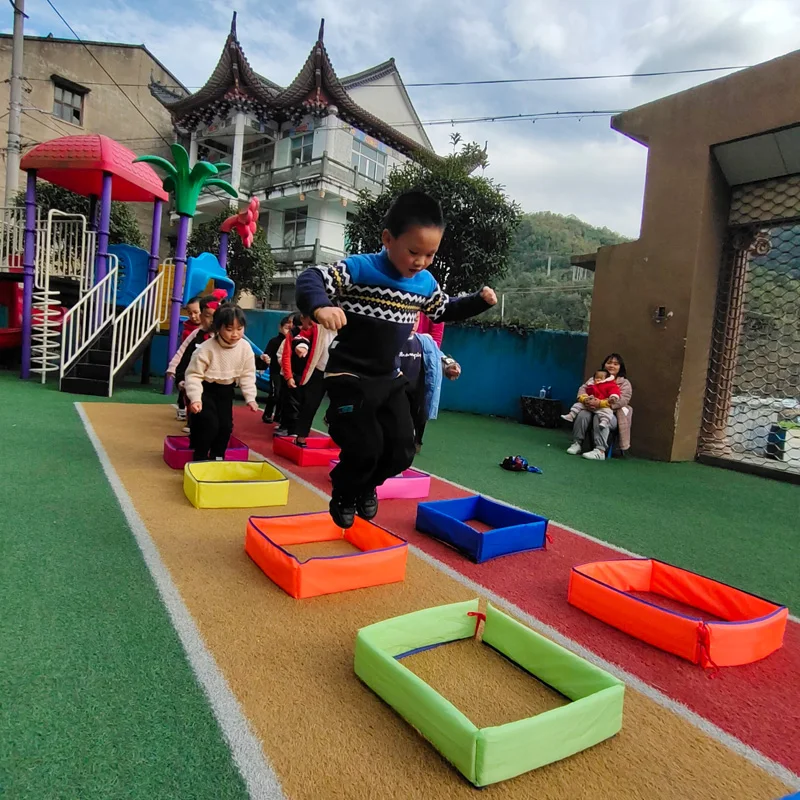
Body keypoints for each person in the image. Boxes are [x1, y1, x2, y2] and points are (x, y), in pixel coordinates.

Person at [296, 190, 497, 528]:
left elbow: (443, 308)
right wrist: (321, 305)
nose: (420, 261)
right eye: (414, 251)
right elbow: (311, 278)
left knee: (404, 449)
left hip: (389, 378)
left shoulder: (424, 282)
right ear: (388, 239)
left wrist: (478, 301)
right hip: (350, 374)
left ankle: (366, 486)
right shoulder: (361, 268)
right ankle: (345, 490)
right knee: (367, 446)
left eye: (430, 254)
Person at [184, 304, 259, 462]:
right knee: (209, 425)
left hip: (226, 391)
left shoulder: (245, 348)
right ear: (218, 328)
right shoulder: (206, 349)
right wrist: (196, 398)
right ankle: (200, 456)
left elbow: (247, 374)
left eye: (239, 329)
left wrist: (250, 397)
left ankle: (218, 457)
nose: (235, 334)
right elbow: (193, 375)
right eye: (229, 329)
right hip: (205, 390)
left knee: (225, 427)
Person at [399, 314, 461, 453]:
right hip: (397, 393)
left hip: (417, 391)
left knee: (417, 419)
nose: (413, 324)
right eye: (410, 320)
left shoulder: (425, 341)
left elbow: (437, 355)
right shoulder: (392, 340)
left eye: (416, 320)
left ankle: (414, 444)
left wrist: (450, 367)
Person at [166, 291, 226, 430]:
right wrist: (173, 368)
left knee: (213, 406)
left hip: (213, 378)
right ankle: (192, 423)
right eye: (206, 316)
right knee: (194, 399)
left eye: (213, 317)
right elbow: (182, 351)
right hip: (196, 374)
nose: (209, 320)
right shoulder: (197, 333)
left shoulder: (220, 335)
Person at [567, 353, 633, 460]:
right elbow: (582, 390)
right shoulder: (595, 379)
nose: (612, 366)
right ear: (604, 365)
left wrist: (600, 404)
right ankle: (576, 443)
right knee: (583, 414)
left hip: (613, 415)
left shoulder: (624, 383)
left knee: (600, 416)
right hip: (589, 409)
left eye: (616, 364)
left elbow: (623, 400)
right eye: (609, 363)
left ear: (620, 367)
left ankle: (600, 450)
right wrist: (586, 400)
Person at [261, 315, 293, 425]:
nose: (288, 331)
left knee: (283, 396)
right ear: (280, 327)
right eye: (286, 328)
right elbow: (266, 354)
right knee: (275, 394)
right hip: (275, 372)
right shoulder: (274, 341)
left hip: (285, 373)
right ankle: (267, 414)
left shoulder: (293, 342)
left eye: (290, 329)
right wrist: (264, 363)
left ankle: (278, 416)